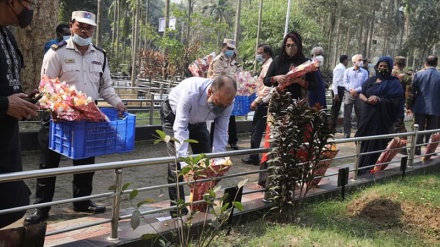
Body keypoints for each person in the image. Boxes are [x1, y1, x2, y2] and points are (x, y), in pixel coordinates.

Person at [24, 10, 127, 225]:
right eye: (80, 26)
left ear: (93, 30)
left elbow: (105, 86)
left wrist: (117, 103)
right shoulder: (56, 52)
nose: (84, 30)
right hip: (57, 117)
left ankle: (82, 203)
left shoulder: (100, 55)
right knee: (48, 164)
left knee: (86, 162)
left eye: (89, 27)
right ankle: (41, 209)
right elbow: (46, 85)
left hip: (87, 116)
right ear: (71, 26)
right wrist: (61, 107)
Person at [160, 76, 237, 217]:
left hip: (199, 121)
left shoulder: (227, 101)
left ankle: (203, 205)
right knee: (176, 164)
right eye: (219, 103)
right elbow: (181, 127)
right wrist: (185, 165)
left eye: (226, 105)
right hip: (173, 116)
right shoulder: (191, 92)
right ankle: (178, 210)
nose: (222, 108)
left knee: (208, 163)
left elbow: (221, 130)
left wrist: (218, 160)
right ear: (210, 92)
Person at [260, 31, 318, 189]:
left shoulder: (306, 63)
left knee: (293, 141)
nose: (290, 48)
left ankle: (290, 178)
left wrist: (300, 81)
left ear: (299, 46)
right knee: (273, 140)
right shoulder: (278, 60)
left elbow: (315, 85)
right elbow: (266, 81)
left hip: (297, 107)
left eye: (293, 45)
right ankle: (268, 178)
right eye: (287, 45)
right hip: (278, 105)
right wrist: (276, 78)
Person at [0, 0, 39, 229]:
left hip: (9, 158)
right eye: (30, 2)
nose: (32, 8)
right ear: (12, 2)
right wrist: (5, 104)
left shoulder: (7, 36)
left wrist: (22, 102)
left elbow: (8, 91)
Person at [355, 56, 404, 176]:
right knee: (363, 142)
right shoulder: (371, 80)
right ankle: (360, 169)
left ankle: (371, 170)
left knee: (376, 143)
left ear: (390, 67)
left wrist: (379, 100)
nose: (382, 68)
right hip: (367, 116)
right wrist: (367, 100)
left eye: (385, 66)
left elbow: (397, 101)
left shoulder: (394, 83)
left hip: (381, 119)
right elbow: (361, 93)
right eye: (380, 66)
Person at [241, 44, 273, 165]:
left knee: (257, 129)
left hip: (264, 101)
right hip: (264, 99)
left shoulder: (268, 66)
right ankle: (257, 156)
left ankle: (254, 156)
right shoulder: (266, 65)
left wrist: (257, 100)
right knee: (259, 128)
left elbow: (267, 87)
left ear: (267, 53)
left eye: (260, 52)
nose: (258, 55)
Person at [207, 38, 239, 150]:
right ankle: (208, 148)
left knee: (224, 124)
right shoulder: (218, 60)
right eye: (228, 48)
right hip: (217, 96)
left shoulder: (233, 61)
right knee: (211, 123)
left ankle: (220, 151)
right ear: (223, 48)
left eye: (232, 49)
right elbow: (216, 80)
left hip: (228, 96)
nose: (230, 51)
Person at [407, 55, 440, 155]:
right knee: (432, 130)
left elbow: (412, 92)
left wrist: (409, 106)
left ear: (425, 62)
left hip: (420, 106)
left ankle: (416, 149)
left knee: (418, 128)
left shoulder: (418, 74)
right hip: (436, 107)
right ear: (437, 63)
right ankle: (429, 151)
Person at [343, 54, 368, 138]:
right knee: (347, 115)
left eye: (362, 60)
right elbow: (345, 82)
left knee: (360, 115)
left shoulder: (365, 72)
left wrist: (356, 90)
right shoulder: (347, 71)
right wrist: (351, 90)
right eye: (359, 60)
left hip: (360, 95)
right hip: (349, 94)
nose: (361, 62)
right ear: (354, 61)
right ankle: (347, 133)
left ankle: (359, 133)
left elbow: (365, 84)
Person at [392, 56, 412, 155]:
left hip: (387, 104)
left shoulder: (389, 74)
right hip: (399, 104)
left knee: (388, 124)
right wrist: (408, 106)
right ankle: (403, 148)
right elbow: (408, 94)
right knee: (400, 125)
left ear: (395, 64)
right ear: (404, 65)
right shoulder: (407, 77)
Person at [329, 55, 348, 130]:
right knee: (335, 108)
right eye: (347, 60)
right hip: (338, 89)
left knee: (337, 108)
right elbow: (335, 81)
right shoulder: (340, 68)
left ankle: (333, 125)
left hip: (340, 88)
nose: (347, 62)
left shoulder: (342, 68)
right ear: (344, 60)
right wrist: (336, 93)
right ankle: (331, 126)